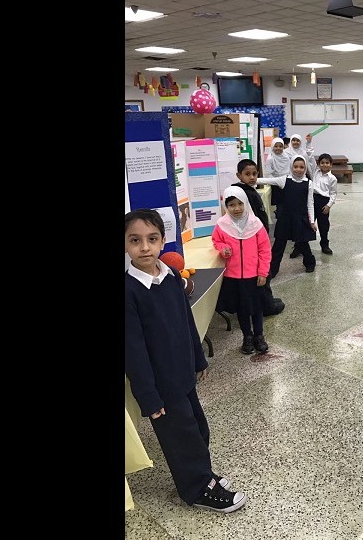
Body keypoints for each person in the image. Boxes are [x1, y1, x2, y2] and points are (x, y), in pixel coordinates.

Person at [125, 208, 247, 514]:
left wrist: (198, 358)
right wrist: (148, 397)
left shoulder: (169, 276)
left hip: (182, 373)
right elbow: (133, 351)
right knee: (181, 437)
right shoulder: (128, 292)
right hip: (161, 385)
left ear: (162, 240)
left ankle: (201, 474)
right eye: (135, 240)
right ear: (125, 244)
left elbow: (186, 321)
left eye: (152, 239)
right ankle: (196, 489)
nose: (144, 247)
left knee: (198, 428)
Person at [211, 187, 272, 354]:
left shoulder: (255, 224)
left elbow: (265, 250)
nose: (236, 208)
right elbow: (216, 241)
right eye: (231, 205)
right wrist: (223, 248)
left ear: (245, 203)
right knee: (242, 308)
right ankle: (247, 336)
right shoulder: (222, 225)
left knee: (257, 307)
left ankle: (259, 335)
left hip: (255, 276)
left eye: (240, 204)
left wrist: (263, 272)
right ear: (226, 206)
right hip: (234, 276)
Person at [228, 158, 285, 316]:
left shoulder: (249, 190)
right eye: (247, 174)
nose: (252, 177)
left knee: (263, 273)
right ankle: (267, 306)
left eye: (254, 174)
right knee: (263, 274)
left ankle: (266, 300)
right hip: (253, 241)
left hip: (259, 238)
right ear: (239, 175)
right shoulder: (242, 194)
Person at [256, 156, 317, 276]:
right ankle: (272, 269)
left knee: (302, 243)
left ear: (305, 168)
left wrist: (311, 221)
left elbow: (310, 203)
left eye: (301, 167)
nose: (298, 169)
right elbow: (267, 180)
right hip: (285, 219)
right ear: (291, 166)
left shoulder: (308, 183)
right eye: (295, 166)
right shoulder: (284, 180)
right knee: (279, 245)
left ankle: (310, 263)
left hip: (300, 218)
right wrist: (252, 180)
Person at [312, 153, 338, 255]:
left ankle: (324, 245)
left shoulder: (332, 178)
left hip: (323, 202)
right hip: (312, 200)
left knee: (323, 225)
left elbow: (333, 193)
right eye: (322, 163)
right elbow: (310, 157)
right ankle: (299, 245)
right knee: (307, 223)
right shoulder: (315, 172)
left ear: (331, 164)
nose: (324, 165)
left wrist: (328, 205)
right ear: (318, 164)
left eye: (327, 163)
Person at [264, 138, 291, 221]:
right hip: (276, 184)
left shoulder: (286, 157)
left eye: (280, 146)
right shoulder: (270, 159)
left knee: (288, 205)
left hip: (287, 182)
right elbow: (268, 174)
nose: (278, 148)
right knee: (280, 206)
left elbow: (290, 170)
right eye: (276, 146)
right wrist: (278, 181)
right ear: (272, 147)